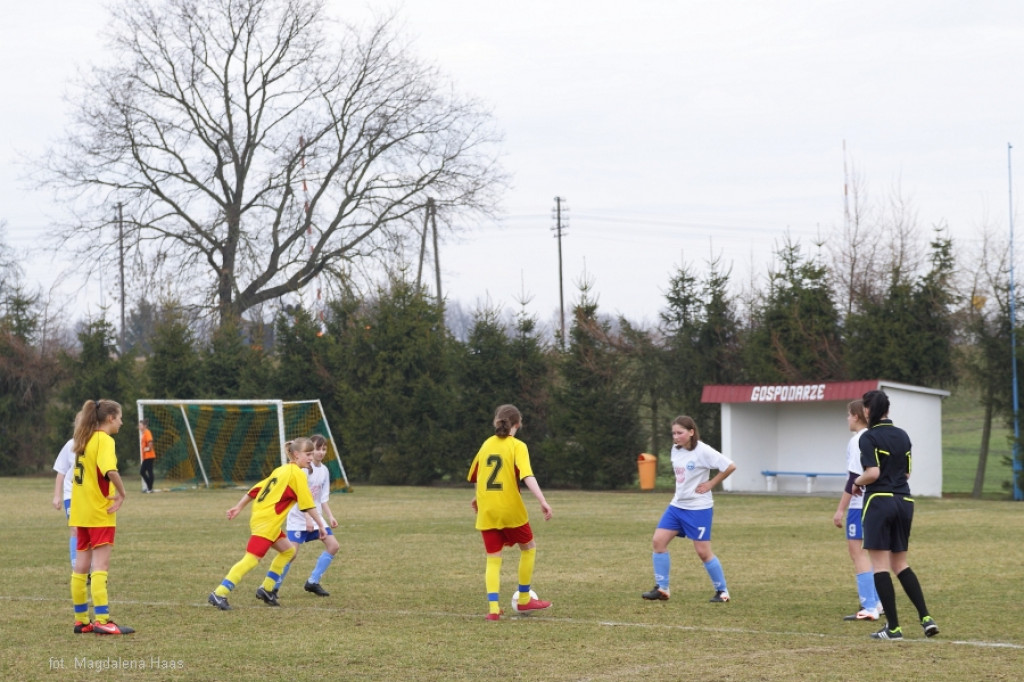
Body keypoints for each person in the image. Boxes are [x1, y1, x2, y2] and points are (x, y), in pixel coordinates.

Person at [854, 389, 939, 640]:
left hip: (879, 501)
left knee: (880, 566)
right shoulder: (903, 435)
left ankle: (893, 628)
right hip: (904, 501)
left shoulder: (868, 437)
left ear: (867, 411)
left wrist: (856, 482)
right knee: (900, 564)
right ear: (888, 410)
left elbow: (873, 473)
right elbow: (907, 474)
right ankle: (926, 618)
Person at [208, 437, 327, 610]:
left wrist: (239, 507)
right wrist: (321, 526)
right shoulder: (297, 474)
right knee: (251, 559)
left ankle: (267, 589)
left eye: (311, 454)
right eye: (307, 454)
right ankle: (219, 593)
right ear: (296, 454)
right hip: (267, 522)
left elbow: (257, 489)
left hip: (264, 518)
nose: (311, 457)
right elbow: (308, 504)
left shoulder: (282, 470)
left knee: (288, 551)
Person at [468, 404, 553, 621]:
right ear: (518, 424)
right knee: (529, 548)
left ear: (496, 422)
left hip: (488, 510)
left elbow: (479, 475)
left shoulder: (486, 444)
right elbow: (527, 476)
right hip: (510, 508)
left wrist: (478, 498)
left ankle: (493, 609)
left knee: (493, 558)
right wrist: (542, 501)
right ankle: (524, 598)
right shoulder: (518, 446)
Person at [642, 415, 736, 603]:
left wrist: (711, 484)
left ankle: (722, 592)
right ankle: (662, 588)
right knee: (658, 541)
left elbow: (730, 466)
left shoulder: (703, 451)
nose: (676, 437)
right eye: (673, 433)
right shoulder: (675, 450)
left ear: (691, 432)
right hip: (677, 506)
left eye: (680, 433)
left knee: (703, 552)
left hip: (698, 509)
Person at [68, 399, 134, 635]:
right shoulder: (104, 440)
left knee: (80, 567)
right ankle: (103, 620)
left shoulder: (83, 439)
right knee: (100, 566)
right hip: (99, 511)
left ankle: (81, 620)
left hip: (81, 512)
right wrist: (122, 493)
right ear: (110, 418)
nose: (121, 423)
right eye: (120, 418)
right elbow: (110, 471)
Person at [833, 399, 882, 621]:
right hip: (876, 502)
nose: (847, 419)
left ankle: (869, 606)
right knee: (874, 554)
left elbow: (854, 477)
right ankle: (878, 602)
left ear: (855, 416)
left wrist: (840, 510)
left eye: (848, 415)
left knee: (857, 552)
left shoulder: (858, 440)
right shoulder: (876, 437)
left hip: (858, 505)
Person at [274, 434, 340, 597]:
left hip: (316, 517)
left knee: (333, 546)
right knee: (291, 554)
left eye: (324, 449)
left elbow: (322, 498)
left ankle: (313, 582)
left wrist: (330, 516)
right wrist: (307, 518)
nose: (321, 452)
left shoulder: (324, 470)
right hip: (298, 518)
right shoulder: (303, 470)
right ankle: (273, 587)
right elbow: (300, 497)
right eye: (317, 449)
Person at [52, 435, 78, 569]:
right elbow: (61, 471)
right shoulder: (70, 445)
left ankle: (89, 567)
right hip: (71, 494)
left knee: (88, 531)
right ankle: (76, 568)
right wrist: (57, 496)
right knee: (75, 529)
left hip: (89, 496)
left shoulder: (96, 443)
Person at [139, 418, 156, 493]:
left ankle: (150, 488)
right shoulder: (144, 434)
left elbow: (150, 444)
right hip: (146, 457)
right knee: (143, 472)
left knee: (146, 471)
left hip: (149, 456)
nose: (139, 427)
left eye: (140, 425)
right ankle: (149, 487)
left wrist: (146, 449)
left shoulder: (147, 432)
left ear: (145, 426)